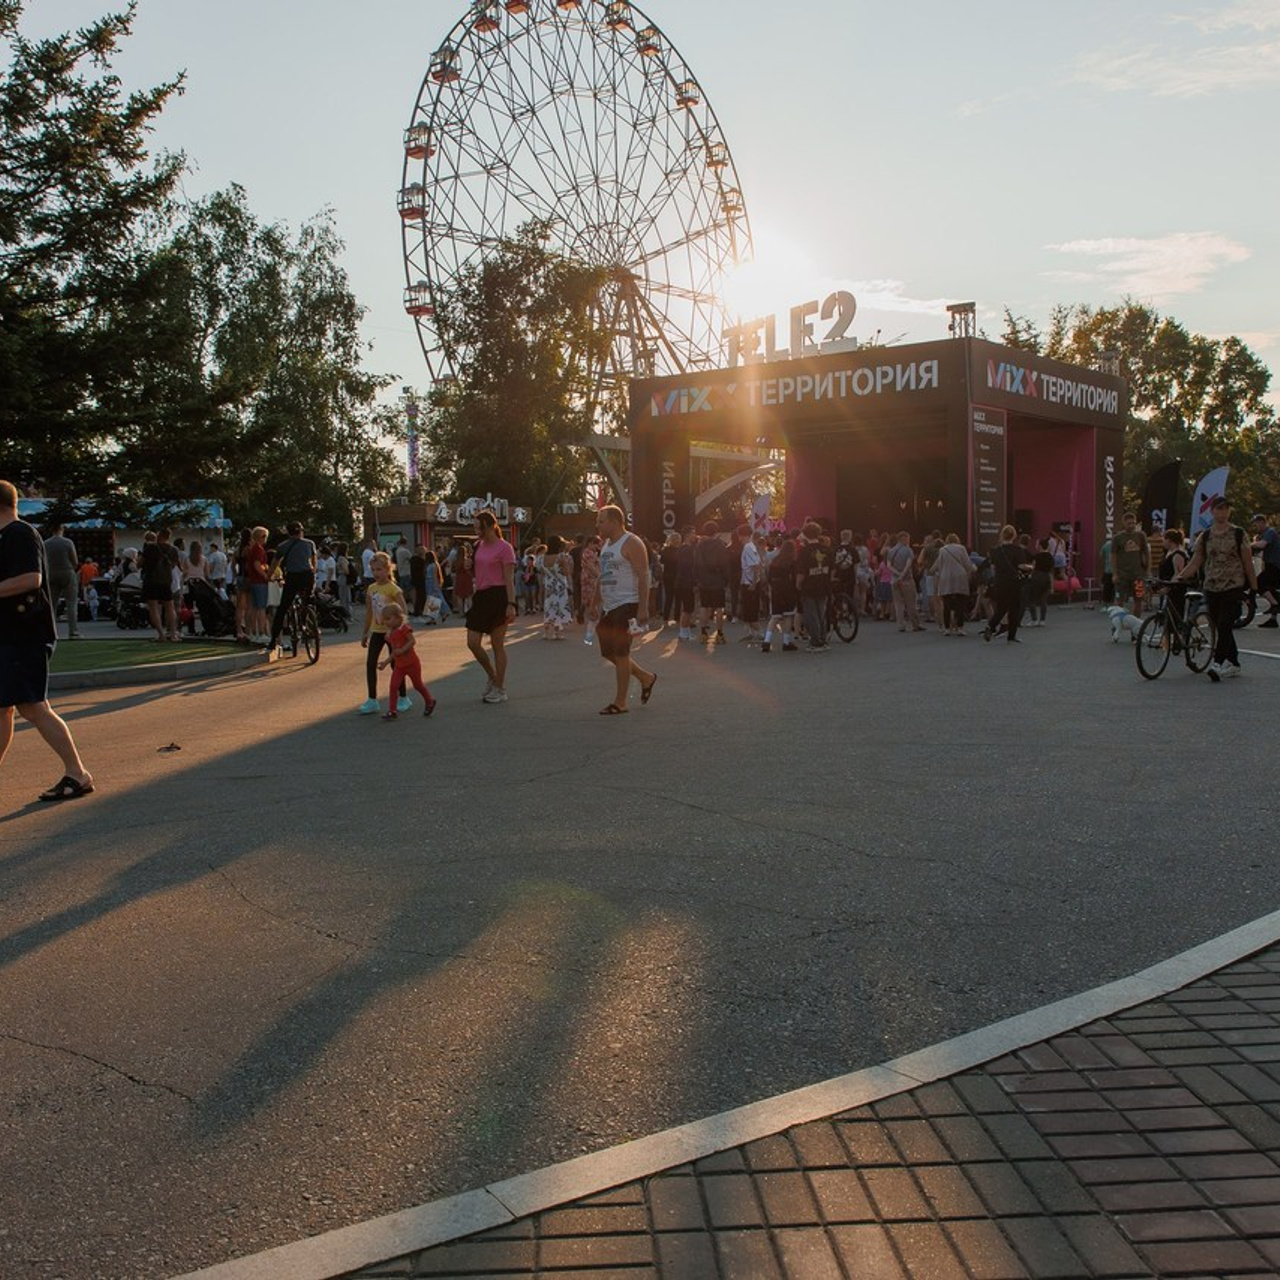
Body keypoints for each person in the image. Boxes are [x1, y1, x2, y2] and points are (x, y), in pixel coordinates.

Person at [0, 481, 93, 802]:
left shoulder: (19, 533)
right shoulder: (8, 536)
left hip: (25, 636)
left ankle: (77, 773)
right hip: (12, 635)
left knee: (33, 707)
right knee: (4, 709)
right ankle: (76, 773)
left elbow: (30, 579)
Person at [1178, 496, 1259, 680]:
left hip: (1233, 586)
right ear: (1212, 511)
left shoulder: (1238, 533)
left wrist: (1253, 590)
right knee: (1221, 626)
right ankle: (1234, 662)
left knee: (1225, 623)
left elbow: (1248, 563)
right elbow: (1196, 561)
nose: (1223, 512)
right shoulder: (1205, 536)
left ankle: (1218, 663)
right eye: (1219, 508)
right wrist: (1179, 576)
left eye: (1226, 509)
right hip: (1212, 586)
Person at [592, 504, 656, 714]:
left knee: (621, 653)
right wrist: (594, 602)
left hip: (628, 604)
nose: (597, 525)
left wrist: (643, 608)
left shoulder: (632, 542)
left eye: (601, 521)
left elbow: (644, 574)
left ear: (613, 521)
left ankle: (620, 702)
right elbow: (604, 575)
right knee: (608, 651)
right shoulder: (607, 545)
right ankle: (645, 677)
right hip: (610, 606)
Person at [466, 511, 517, 703]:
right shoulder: (477, 545)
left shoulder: (505, 548)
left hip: (499, 596)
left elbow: (509, 578)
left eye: (477, 526)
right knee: (472, 642)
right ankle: (492, 676)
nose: (475, 529)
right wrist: (468, 565)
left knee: (497, 644)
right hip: (481, 597)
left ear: (487, 525)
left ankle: (500, 688)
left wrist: (511, 604)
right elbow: (477, 571)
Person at [360, 552, 412, 714]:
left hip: (392, 633)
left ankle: (403, 697)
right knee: (370, 664)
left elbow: (403, 610)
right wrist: (365, 632)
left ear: (388, 569)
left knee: (397, 664)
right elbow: (369, 611)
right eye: (373, 570)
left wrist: (401, 630)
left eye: (380, 569)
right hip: (377, 631)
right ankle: (372, 699)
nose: (376, 573)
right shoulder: (371, 588)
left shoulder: (393, 589)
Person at [376, 603, 437, 719]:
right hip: (399, 666)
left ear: (398, 617)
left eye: (389, 619)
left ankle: (430, 700)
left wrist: (403, 650)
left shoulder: (404, 628)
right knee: (393, 686)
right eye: (385, 620)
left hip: (411, 663)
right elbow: (394, 651)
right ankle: (392, 710)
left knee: (417, 685)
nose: (386, 623)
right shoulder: (390, 633)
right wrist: (385, 662)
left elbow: (412, 641)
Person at [265, 521, 316, 654]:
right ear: (301, 531)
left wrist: (269, 577)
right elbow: (313, 562)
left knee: (282, 608)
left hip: (293, 577)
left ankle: (272, 641)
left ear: (288, 532)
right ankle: (306, 623)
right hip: (308, 576)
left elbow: (274, 564)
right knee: (308, 600)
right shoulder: (310, 544)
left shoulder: (283, 546)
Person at [983, 525, 1031, 643]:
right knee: (1014, 608)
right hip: (1014, 582)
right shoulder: (1017, 550)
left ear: (1002, 535)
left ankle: (991, 626)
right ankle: (1011, 636)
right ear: (1014, 536)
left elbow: (993, 568)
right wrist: (1031, 567)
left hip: (1000, 582)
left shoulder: (995, 551)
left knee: (1001, 608)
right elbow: (1021, 566)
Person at [794, 521, 833, 653]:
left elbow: (801, 573)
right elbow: (832, 569)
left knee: (811, 615)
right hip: (824, 584)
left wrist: (798, 585)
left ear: (805, 534)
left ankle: (815, 642)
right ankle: (823, 639)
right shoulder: (827, 550)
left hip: (809, 586)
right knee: (821, 613)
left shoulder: (804, 552)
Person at [140, 529, 180, 642]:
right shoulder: (174, 550)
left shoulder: (150, 548)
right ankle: (173, 634)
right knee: (170, 607)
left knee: (153, 607)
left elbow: (139, 563)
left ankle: (161, 634)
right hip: (166, 581)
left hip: (152, 580)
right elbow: (173, 565)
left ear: (160, 535)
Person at [694, 520, 729, 644]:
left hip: (704, 581)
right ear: (716, 531)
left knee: (704, 606)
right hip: (718, 580)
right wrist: (726, 579)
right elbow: (725, 563)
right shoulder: (720, 545)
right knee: (719, 608)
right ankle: (719, 634)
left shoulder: (700, 545)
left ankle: (703, 633)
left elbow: (696, 563)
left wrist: (698, 579)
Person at [43, 522, 80, 640]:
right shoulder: (68, 542)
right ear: (61, 529)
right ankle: (73, 632)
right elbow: (75, 561)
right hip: (67, 572)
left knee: (52, 604)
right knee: (71, 603)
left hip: (51, 573)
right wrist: (72, 569)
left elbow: (43, 560)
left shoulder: (45, 543)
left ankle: (50, 633)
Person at [762, 537, 799, 652]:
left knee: (775, 616)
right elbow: (794, 578)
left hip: (776, 591)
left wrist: (771, 589)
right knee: (788, 616)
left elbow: (769, 577)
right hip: (788, 591)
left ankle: (766, 641)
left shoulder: (775, 561)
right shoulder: (792, 562)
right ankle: (786, 642)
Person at [934, 533, 974, 636]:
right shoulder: (961, 548)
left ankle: (947, 628)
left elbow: (939, 565)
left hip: (946, 577)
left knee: (946, 604)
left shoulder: (942, 550)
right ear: (957, 540)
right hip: (960, 577)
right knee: (960, 603)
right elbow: (967, 563)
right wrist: (971, 571)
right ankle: (960, 628)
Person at [1110, 512, 1150, 616]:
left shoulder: (1141, 535)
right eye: (1129, 523)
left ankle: (1136, 625)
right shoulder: (1118, 538)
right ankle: (1117, 624)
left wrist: (1147, 570)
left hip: (1138, 575)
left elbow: (1146, 553)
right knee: (1120, 600)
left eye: (1133, 523)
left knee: (1139, 599)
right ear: (1123, 523)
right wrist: (1114, 573)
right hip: (1122, 574)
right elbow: (1113, 555)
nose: (1131, 526)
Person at [887, 531, 923, 632]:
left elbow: (889, 566)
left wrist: (897, 574)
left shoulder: (891, 551)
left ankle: (901, 625)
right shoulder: (908, 550)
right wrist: (902, 575)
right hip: (906, 580)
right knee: (911, 603)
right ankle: (915, 624)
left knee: (898, 604)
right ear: (905, 539)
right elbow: (908, 564)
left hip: (894, 580)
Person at [540, 534, 573, 640]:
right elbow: (566, 572)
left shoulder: (542, 557)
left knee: (548, 607)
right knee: (559, 607)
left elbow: (541, 572)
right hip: (559, 586)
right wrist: (570, 585)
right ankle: (556, 633)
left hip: (549, 585)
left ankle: (546, 632)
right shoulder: (561, 556)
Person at [1251, 513, 1279, 627]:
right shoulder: (1262, 534)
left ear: (1262, 522)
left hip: (1276, 566)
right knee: (1270, 590)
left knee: (1257, 583)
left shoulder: (1270, 532)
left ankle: (1274, 604)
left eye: (1256, 523)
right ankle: (1273, 619)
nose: (1255, 526)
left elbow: (1262, 545)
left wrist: (1248, 545)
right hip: (1270, 565)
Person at [245, 526, 271, 643]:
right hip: (260, 582)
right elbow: (257, 565)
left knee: (254, 608)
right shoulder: (259, 549)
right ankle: (261, 633)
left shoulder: (251, 549)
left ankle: (252, 633)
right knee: (261, 608)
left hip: (253, 581)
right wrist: (266, 576)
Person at [739, 528, 765, 645]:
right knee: (747, 609)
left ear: (741, 535)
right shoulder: (751, 547)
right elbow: (758, 564)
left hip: (750, 584)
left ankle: (760, 633)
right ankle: (751, 633)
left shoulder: (748, 547)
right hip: (747, 581)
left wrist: (754, 583)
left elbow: (755, 566)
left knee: (751, 610)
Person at [1025, 538, 1054, 628]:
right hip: (1046, 578)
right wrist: (1052, 586)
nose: (1036, 546)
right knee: (1043, 600)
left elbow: (1033, 567)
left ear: (1040, 546)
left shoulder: (1036, 556)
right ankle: (1042, 620)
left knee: (1032, 599)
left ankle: (1034, 619)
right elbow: (1051, 571)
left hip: (1037, 577)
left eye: (1037, 544)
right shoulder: (1050, 557)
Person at [580, 534, 602, 644]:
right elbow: (590, 565)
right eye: (595, 543)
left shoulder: (593, 552)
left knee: (593, 600)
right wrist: (599, 575)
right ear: (589, 544)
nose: (597, 546)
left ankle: (593, 621)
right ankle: (593, 622)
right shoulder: (588, 552)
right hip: (590, 578)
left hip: (592, 578)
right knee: (591, 600)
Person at [453, 542, 475, 616]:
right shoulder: (467, 560)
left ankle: (461, 612)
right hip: (467, 578)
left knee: (459, 596)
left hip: (459, 578)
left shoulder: (456, 561)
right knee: (469, 596)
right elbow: (469, 567)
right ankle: (470, 611)